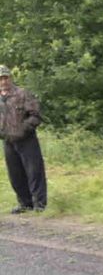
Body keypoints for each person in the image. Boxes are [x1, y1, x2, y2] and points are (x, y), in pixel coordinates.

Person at [0, 65, 47, 213]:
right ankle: (25, 204)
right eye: (0, 79)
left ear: (10, 78)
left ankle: (39, 204)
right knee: (15, 175)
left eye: (5, 77)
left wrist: (23, 129)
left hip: (27, 139)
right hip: (7, 141)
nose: (3, 81)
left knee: (34, 172)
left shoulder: (22, 94)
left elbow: (36, 115)